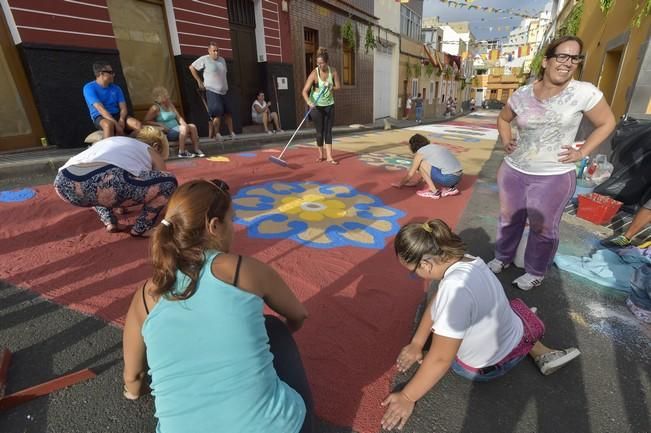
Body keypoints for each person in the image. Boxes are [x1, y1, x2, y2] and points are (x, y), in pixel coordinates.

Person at [122, 179, 314, 433]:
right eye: (231, 220)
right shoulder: (242, 270)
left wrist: (135, 391)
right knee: (273, 327)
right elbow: (299, 315)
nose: (234, 228)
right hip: (278, 427)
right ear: (214, 226)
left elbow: (133, 378)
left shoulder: (145, 297)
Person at [380, 219, 581, 431]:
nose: (415, 275)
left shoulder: (454, 292)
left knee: (452, 334)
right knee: (512, 309)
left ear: (425, 265)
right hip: (510, 338)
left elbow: (441, 358)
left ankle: (531, 347)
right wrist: (417, 343)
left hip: (482, 368)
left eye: (413, 271)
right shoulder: (469, 261)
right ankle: (536, 346)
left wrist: (407, 396)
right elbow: (440, 298)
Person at [488, 35, 616, 290]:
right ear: (546, 61)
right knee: (508, 218)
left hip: (554, 175)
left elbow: (607, 123)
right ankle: (502, 257)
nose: (568, 63)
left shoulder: (584, 92)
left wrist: (582, 152)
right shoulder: (523, 94)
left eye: (575, 58)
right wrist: (507, 140)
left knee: (543, 227)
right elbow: (503, 119)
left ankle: (535, 270)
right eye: (562, 56)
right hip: (513, 170)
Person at [53, 126, 176, 237]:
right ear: (156, 146)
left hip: (63, 183)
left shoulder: (114, 141)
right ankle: (142, 228)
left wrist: (121, 203)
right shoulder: (149, 149)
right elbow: (161, 181)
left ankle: (109, 219)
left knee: (97, 186)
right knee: (169, 181)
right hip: (104, 182)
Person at [391, 133, 462, 199]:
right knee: (428, 163)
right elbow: (428, 169)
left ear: (413, 145)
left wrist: (400, 183)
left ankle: (434, 192)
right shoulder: (434, 147)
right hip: (458, 177)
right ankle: (450, 188)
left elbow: (411, 174)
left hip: (448, 179)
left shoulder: (420, 152)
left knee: (421, 164)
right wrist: (417, 182)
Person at [189, 42, 236, 141]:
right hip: (212, 91)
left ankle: (232, 133)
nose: (216, 53)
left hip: (224, 91)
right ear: (209, 51)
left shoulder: (222, 60)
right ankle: (217, 134)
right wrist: (199, 80)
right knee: (217, 113)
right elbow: (191, 67)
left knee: (228, 112)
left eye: (217, 50)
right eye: (214, 51)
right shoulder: (205, 59)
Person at [302, 48, 341, 164]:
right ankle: (321, 155)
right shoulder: (314, 73)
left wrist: (331, 87)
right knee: (319, 132)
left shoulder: (333, 71)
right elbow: (304, 91)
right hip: (316, 106)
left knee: (328, 131)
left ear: (327, 62)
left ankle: (329, 156)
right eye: (317, 63)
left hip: (329, 105)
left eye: (321, 63)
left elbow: (338, 87)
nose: (319, 65)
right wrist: (309, 102)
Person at [83, 61, 141, 138]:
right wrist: (116, 124)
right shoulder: (89, 88)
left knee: (138, 125)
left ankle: (128, 142)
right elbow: (101, 109)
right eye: (110, 72)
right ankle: (108, 149)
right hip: (101, 116)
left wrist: (121, 119)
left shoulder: (116, 88)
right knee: (108, 125)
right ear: (101, 73)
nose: (113, 75)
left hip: (117, 114)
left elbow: (123, 108)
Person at [144, 87, 205, 158]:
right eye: (165, 95)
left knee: (192, 126)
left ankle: (196, 149)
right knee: (183, 128)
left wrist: (185, 125)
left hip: (178, 129)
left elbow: (179, 118)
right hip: (168, 132)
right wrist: (159, 124)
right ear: (159, 97)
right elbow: (145, 121)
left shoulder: (170, 105)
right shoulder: (155, 108)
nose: (167, 96)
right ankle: (181, 152)